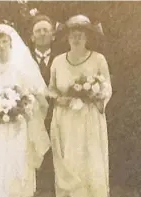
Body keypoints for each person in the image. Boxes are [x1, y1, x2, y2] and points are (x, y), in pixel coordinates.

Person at [0, 24, 50, 197]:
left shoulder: (20, 68)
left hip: (17, 125)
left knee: (17, 163)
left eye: (5, 41)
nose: (1, 46)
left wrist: (19, 107)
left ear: (11, 44)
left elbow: (32, 96)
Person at [48, 15, 112, 197]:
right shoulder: (58, 61)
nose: (76, 39)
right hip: (66, 119)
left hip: (90, 118)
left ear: (87, 38)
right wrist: (60, 99)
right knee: (69, 160)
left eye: (80, 35)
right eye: (73, 35)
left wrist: (95, 94)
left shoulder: (98, 59)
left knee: (91, 159)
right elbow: (51, 89)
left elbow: (107, 88)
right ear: (67, 38)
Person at [30, 14, 58, 196]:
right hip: (31, 118)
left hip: (55, 117)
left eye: (45, 30)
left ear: (52, 36)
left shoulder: (61, 58)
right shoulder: (24, 60)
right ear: (32, 37)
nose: (41, 34)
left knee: (55, 160)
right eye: (38, 31)